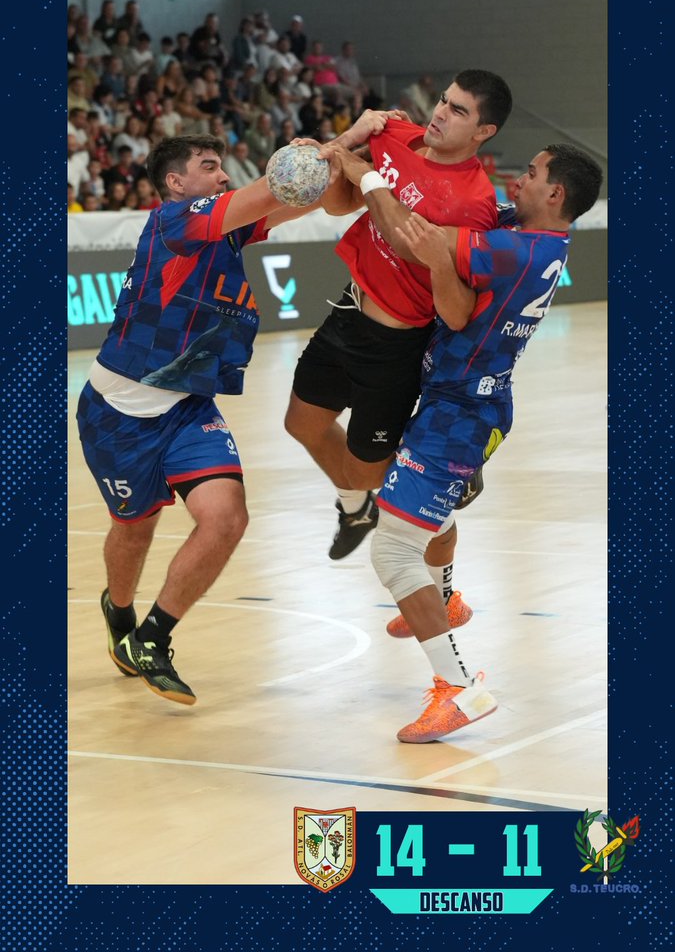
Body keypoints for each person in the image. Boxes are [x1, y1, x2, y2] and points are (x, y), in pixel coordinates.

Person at [332, 142, 602, 741]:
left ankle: (461, 690)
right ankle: (446, 601)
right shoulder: (532, 238)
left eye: (531, 174)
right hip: (464, 401)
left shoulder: (514, 249)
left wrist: (364, 169)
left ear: (555, 195)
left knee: (393, 551)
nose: (520, 178)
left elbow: (414, 236)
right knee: (415, 527)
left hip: (460, 413)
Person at [77, 134, 344, 707]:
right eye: (209, 167)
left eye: (223, 167)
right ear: (177, 183)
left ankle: (153, 638)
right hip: (118, 413)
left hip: (187, 405)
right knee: (134, 527)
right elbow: (276, 186)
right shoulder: (174, 221)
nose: (222, 176)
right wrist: (336, 143)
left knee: (226, 518)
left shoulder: (229, 230)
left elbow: (310, 199)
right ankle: (118, 610)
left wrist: (346, 160)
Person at [284, 71, 513, 564]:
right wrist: (346, 151)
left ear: (483, 132)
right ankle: (355, 510)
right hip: (347, 314)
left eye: (458, 111)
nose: (439, 113)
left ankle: (436, 491)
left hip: (395, 349)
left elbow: (413, 250)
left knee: (365, 471)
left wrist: (357, 166)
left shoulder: (474, 203)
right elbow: (337, 204)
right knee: (301, 424)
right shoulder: (396, 139)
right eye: (443, 101)